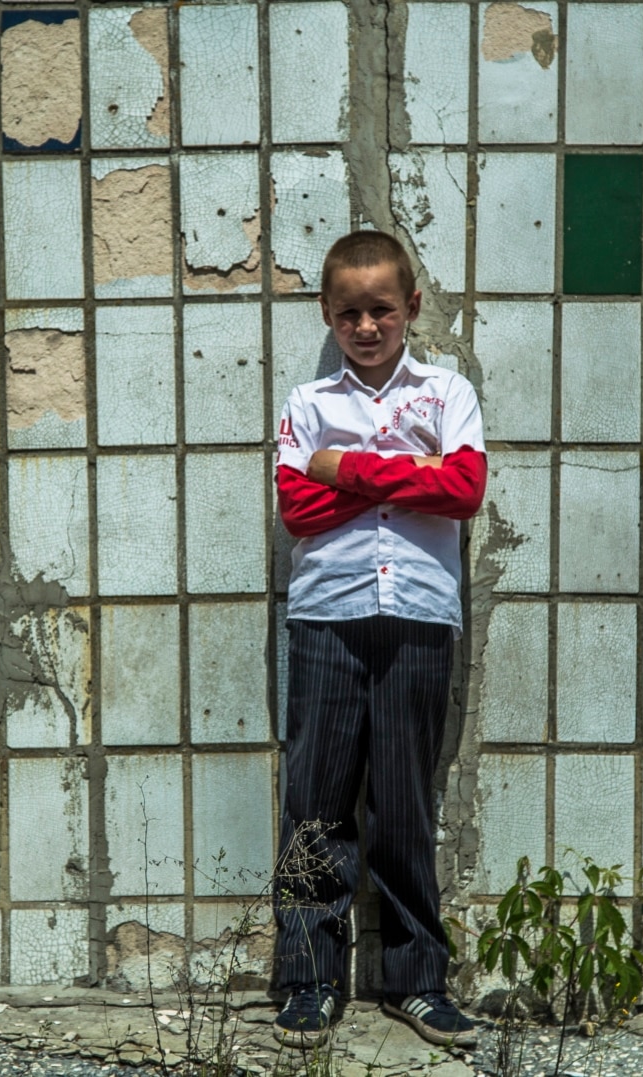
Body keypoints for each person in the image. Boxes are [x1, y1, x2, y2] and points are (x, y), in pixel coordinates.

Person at [269, 230, 487, 1049]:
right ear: (328, 314)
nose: (366, 326)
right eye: (349, 313)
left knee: (403, 803)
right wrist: (407, 472)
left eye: (382, 310)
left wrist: (345, 468)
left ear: (411, 308)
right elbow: (299, 510)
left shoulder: (446, 392)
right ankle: (308, 976)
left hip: (420, 617)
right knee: (316, 801)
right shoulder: (307, 404)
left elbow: (462, 488)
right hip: (327, 614)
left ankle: (416, 981)